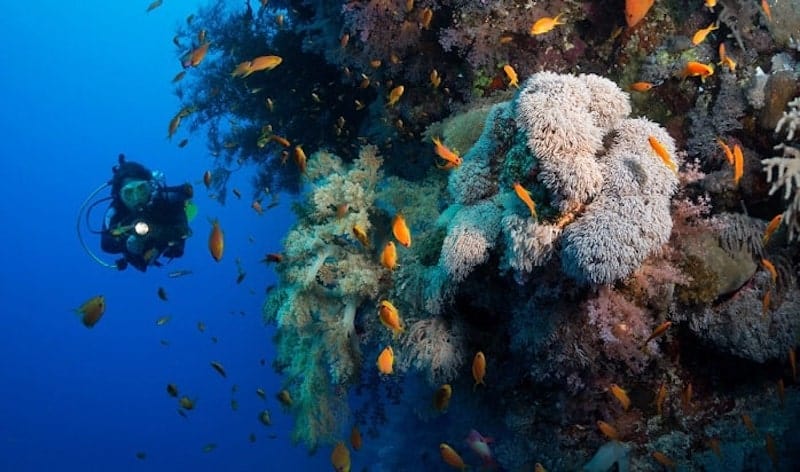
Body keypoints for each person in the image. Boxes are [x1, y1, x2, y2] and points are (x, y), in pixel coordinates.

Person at [101, 154, 193, 271]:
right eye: (128, 193)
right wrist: (126, 244)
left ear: (150, 187)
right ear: (119, 196)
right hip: (135, 254)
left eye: (141, 189)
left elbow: (183, 230)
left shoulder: (164, 199)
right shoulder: (115, 211)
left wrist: (158, 233)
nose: (136, 198)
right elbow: (106, 244)